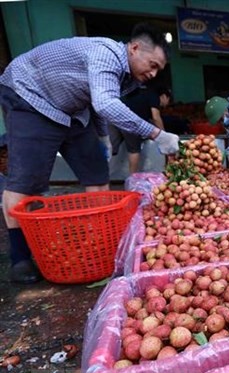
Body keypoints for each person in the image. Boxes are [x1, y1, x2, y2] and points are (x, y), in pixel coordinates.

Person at [0, 23, 180, 284]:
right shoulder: (104, 53)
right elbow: (105, 103)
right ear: (135, 48)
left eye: (158, 70)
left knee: (96, 173)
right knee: (27, 181)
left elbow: (96, 104)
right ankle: (20, 258)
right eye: (152, 65)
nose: (153, 74)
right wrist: (156, 134)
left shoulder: (127, 78)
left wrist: (103, 136)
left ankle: (96, 242)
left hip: (73, 110)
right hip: (30, 97)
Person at [109, 86, 172, 174]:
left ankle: (100, 175)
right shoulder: (154, 97)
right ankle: (132, 178)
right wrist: (164, 135)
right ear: (165, 96)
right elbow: (156, 117)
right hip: (130, 121)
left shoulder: (142, 94)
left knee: (110, 148)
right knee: (134, 150)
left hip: (114, 118)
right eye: (168, 101)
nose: (166, 105)